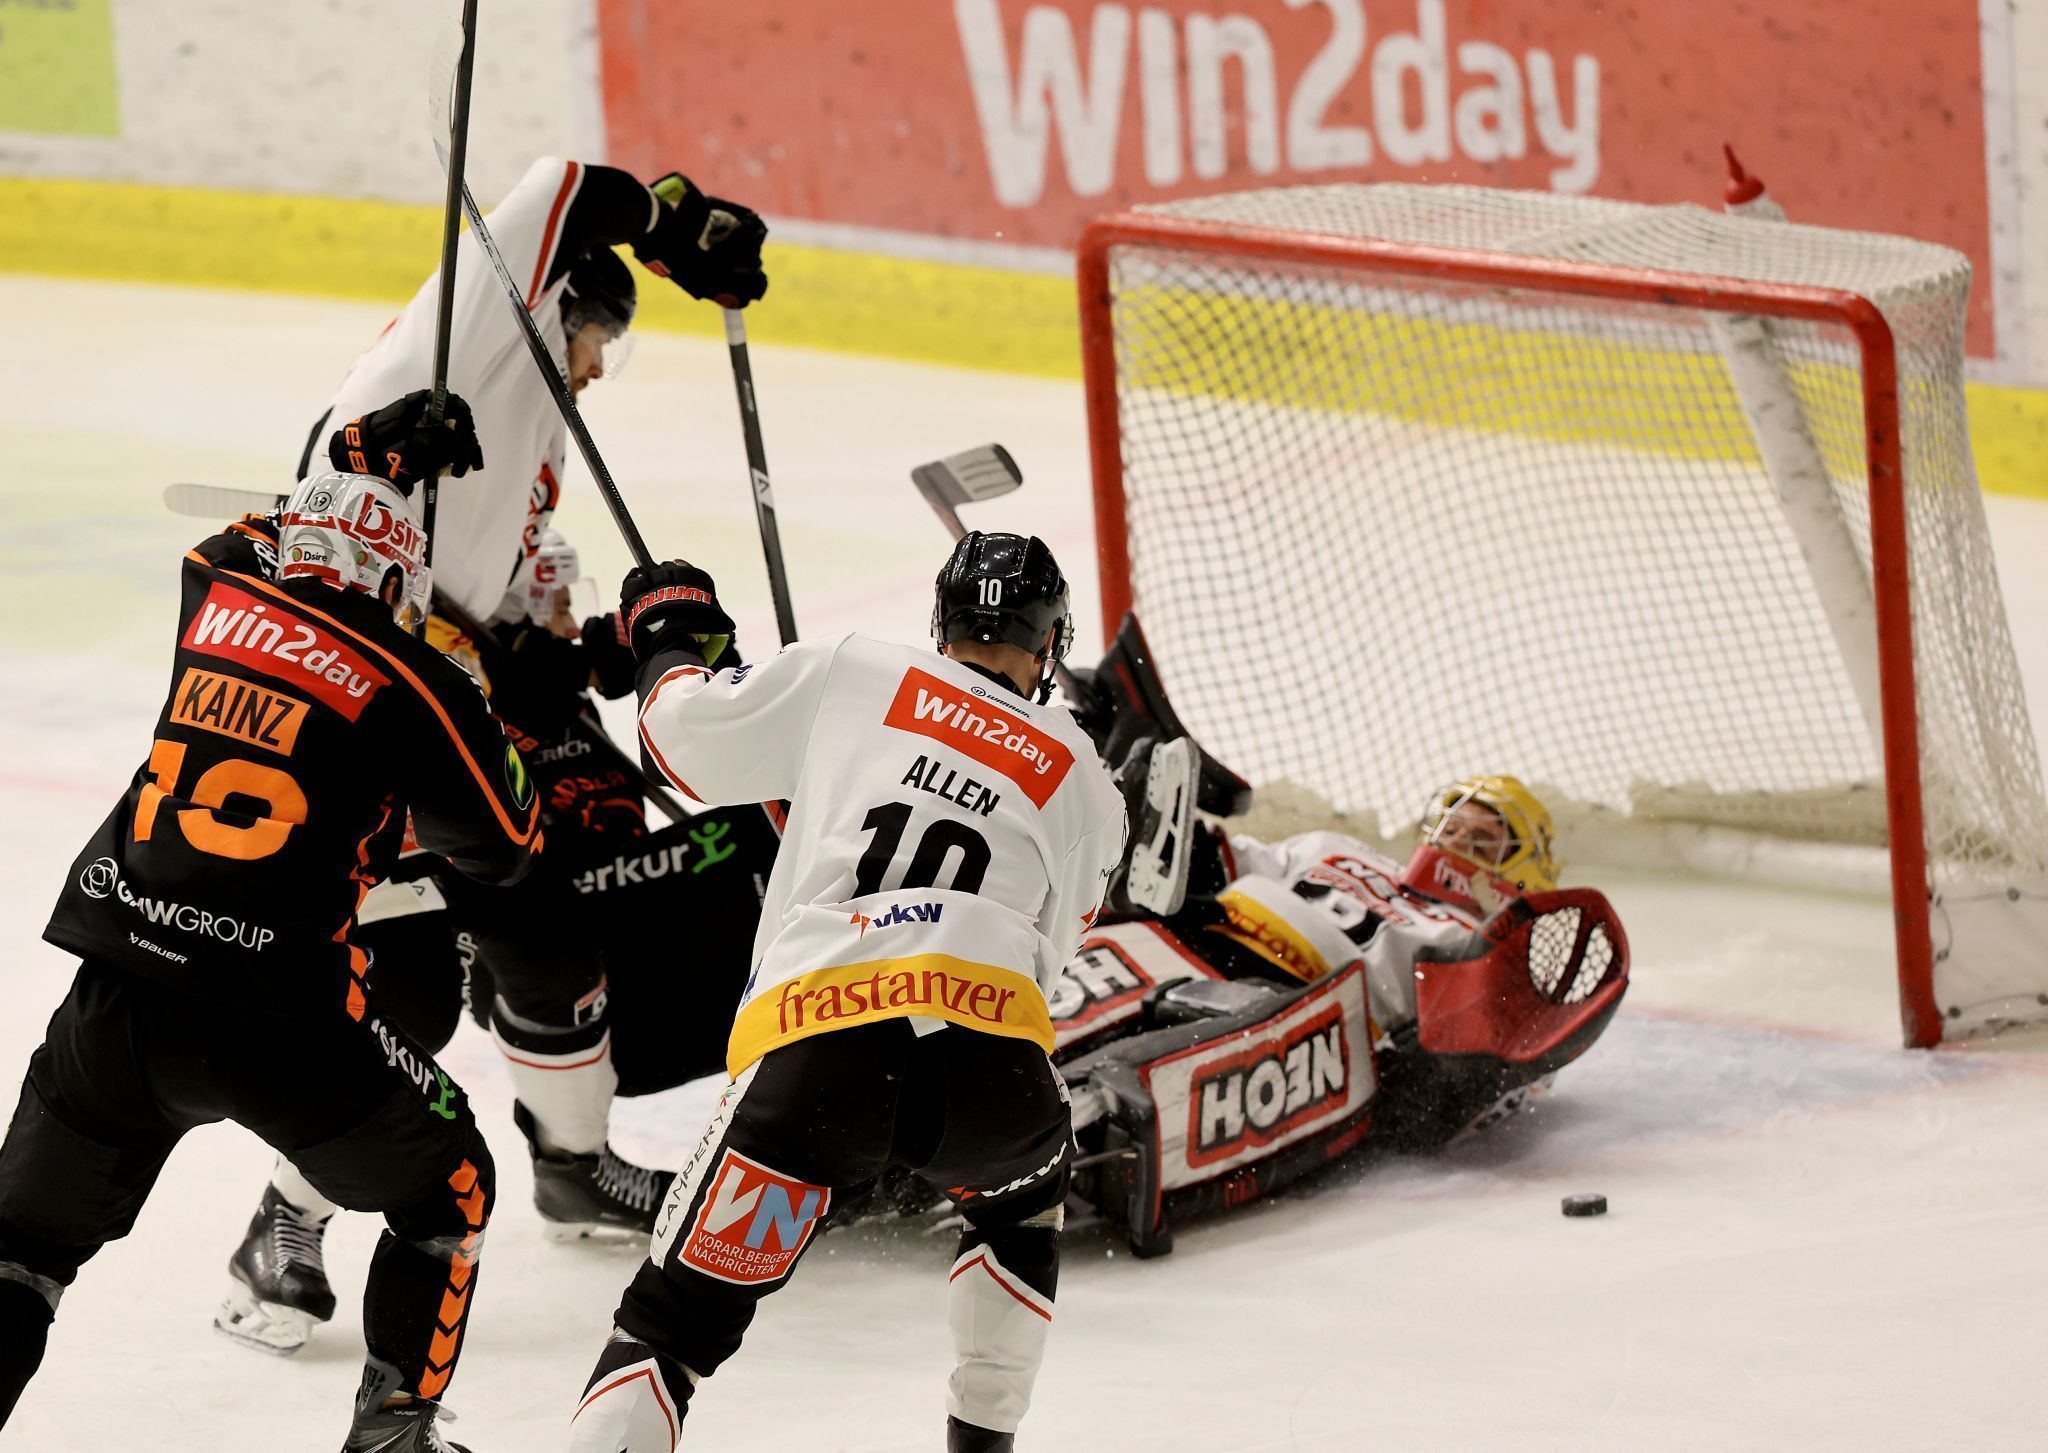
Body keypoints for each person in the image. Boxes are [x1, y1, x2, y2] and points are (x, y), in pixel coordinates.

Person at [0, 397, 542, 1452]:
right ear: (398, 585)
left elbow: (261, 536)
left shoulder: (217, 583)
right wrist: (479, 699)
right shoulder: (415, 680)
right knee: (451, 1192)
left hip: (121, 993)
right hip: (287, 1020)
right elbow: (506, 842)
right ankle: (393, 1438)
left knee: (20, 1249)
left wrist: (354, 460)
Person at [566, 532, 1126, 1453]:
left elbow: (680, 743)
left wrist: (671, 633)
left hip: (816, 1066)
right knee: (1021, 1211)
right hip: (992, 1085)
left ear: (942, 620)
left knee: (667, 1333)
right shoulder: (1087, 778)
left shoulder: (856, 669)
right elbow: (1049, 955)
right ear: (1050, 642)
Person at [301, 154, 771, 1228]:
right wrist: (672, 224)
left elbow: (502, 613)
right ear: (559, 304)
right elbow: (566, 185)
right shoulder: (474, 328)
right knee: (412, 979)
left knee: (512, 953)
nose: (602, 367)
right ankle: (292, 1218)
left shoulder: (531, 431)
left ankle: (569, 1164)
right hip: (343, 688)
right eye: (602, 338)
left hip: (419, 695)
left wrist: (605, 649)